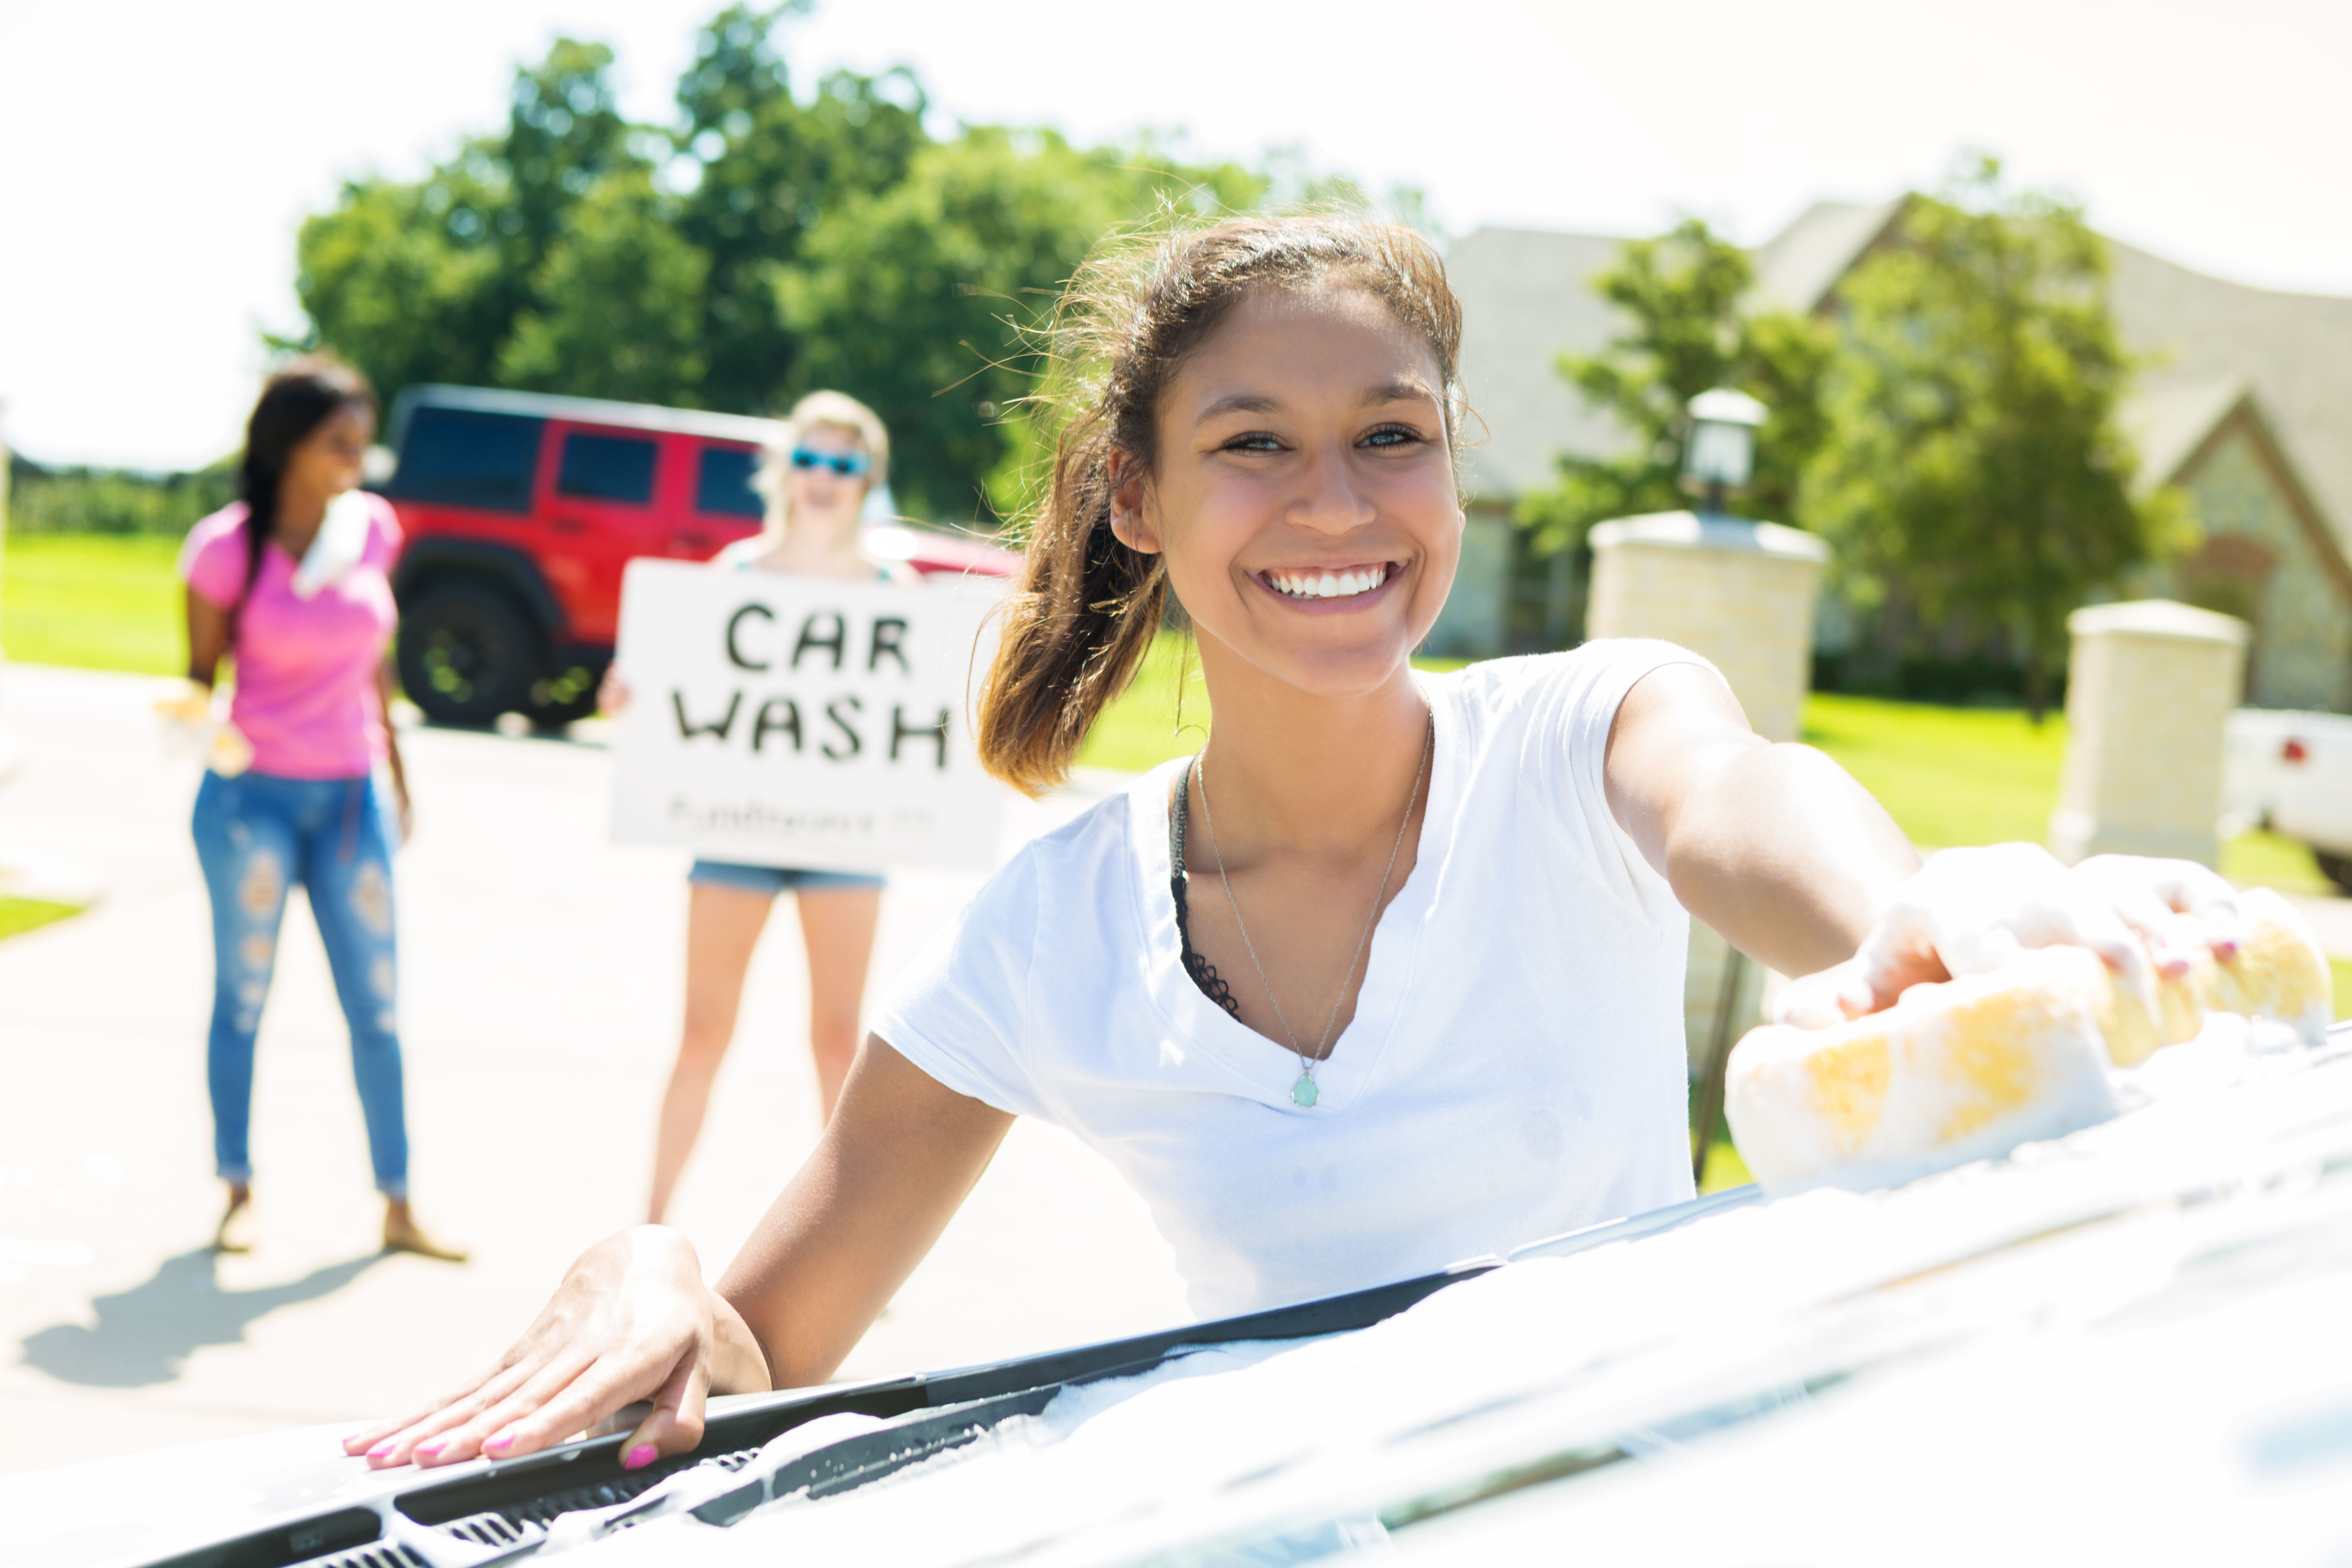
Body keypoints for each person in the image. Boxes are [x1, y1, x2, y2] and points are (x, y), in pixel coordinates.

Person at [349, 212, 2236, 1472]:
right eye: (1253, 442)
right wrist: (651, 1270)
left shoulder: (1588, 731)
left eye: (1390, 436)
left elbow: (1747, 799)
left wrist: (1924, 906)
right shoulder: (1049, 933)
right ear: (1137, 498)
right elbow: (767, 1348)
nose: (1336, 503)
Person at [180, 356, 463, 1261]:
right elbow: (199, 680)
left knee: (377, 1009)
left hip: (350, 799)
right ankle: (237, 1190)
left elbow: (375, 658)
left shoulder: (371, 528)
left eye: (361, 440)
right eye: (338, 440)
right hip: (251, 805)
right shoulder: (225, 550)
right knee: (243, 999)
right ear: (287, 445)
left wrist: (399, 768)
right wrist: (191, 721)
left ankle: (399, 1203)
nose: (356, 457)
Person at [601, 392, 903, 1223]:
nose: (823, 477)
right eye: (808, 459)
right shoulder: (732, 578)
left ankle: (840, 1245)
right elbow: (674, 688)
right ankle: (649, 1229)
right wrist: (632, 695)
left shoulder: (896, 593)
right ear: (783, 473)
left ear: (866, 479)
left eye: (842, 463)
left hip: (846, 839)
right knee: (702, 1034)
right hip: (734, 830)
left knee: (838, 1044)